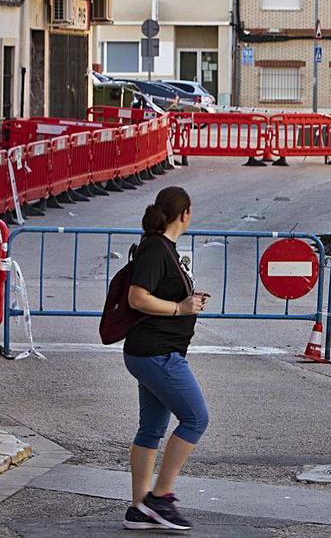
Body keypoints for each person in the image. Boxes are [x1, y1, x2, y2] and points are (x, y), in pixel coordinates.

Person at [121, 186, 210, 532]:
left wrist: (188, 302)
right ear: (184, 213)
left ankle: (139, 508)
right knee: (196, 418)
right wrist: (180, 308)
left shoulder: (162, 248)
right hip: (157, 353)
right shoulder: (157, 248)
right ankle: (160, 497)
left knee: (151, 429)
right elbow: (137, 297)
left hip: (152, 351)